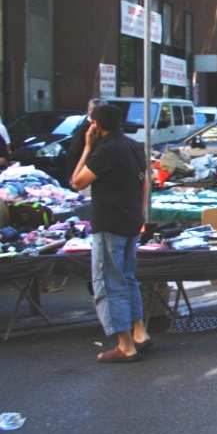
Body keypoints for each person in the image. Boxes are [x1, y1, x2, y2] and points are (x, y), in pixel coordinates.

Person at [70, 104, 152, 363]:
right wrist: (139, 216)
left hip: (110, 223)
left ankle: (125, 344)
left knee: (109, 282)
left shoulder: (105, 150)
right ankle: (139, 332)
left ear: (96, 125)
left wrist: (87, 147)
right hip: (130, 220)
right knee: (127, 278)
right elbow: (145, 183)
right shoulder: (132, 145)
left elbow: (77, 182)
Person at [65, 98, 107, 185]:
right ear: (89, 110)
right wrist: (73, 172)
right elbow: (75, 150)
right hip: (85, 169)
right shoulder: (85, 127)